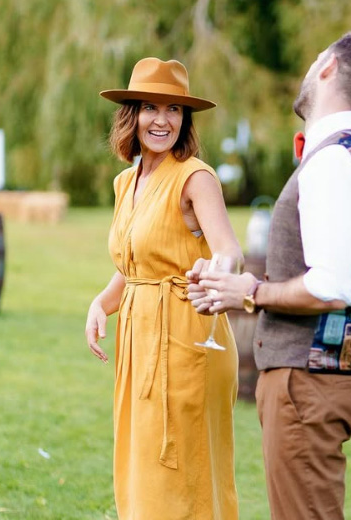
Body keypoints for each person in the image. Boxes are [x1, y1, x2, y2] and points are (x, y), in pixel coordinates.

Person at [188, 28, 351, 520]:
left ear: (327, 66)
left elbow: (333, 285)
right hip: (320, 373)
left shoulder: (332, 163)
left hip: (308, 380)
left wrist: (251, 291)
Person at [85, 57, 241, 520]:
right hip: (139, 341)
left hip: (187, 338)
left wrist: (218, 273)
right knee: (143, 469)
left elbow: (230, 250)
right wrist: (101, 302)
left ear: (184, 119)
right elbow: (137, 263)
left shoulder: (195, 177)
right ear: (131, 116)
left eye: (174, 110)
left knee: (181, 475)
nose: (163, 119)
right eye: (151, 107)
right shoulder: (125, 182)